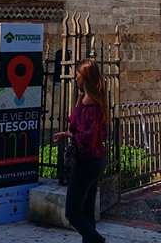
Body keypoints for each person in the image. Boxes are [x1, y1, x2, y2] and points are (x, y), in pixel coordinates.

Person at [53, 59, 108, 243]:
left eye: (77, 75)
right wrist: (68, 133)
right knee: (87, 211)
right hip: (95, 160)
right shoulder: (91, 98)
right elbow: (88, 131)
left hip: (86, 162)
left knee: (72, 213)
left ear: (84, 77)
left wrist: (72, 137)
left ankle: (98, 241)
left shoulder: (90, 102)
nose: (75, 78)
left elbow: (87, 135)